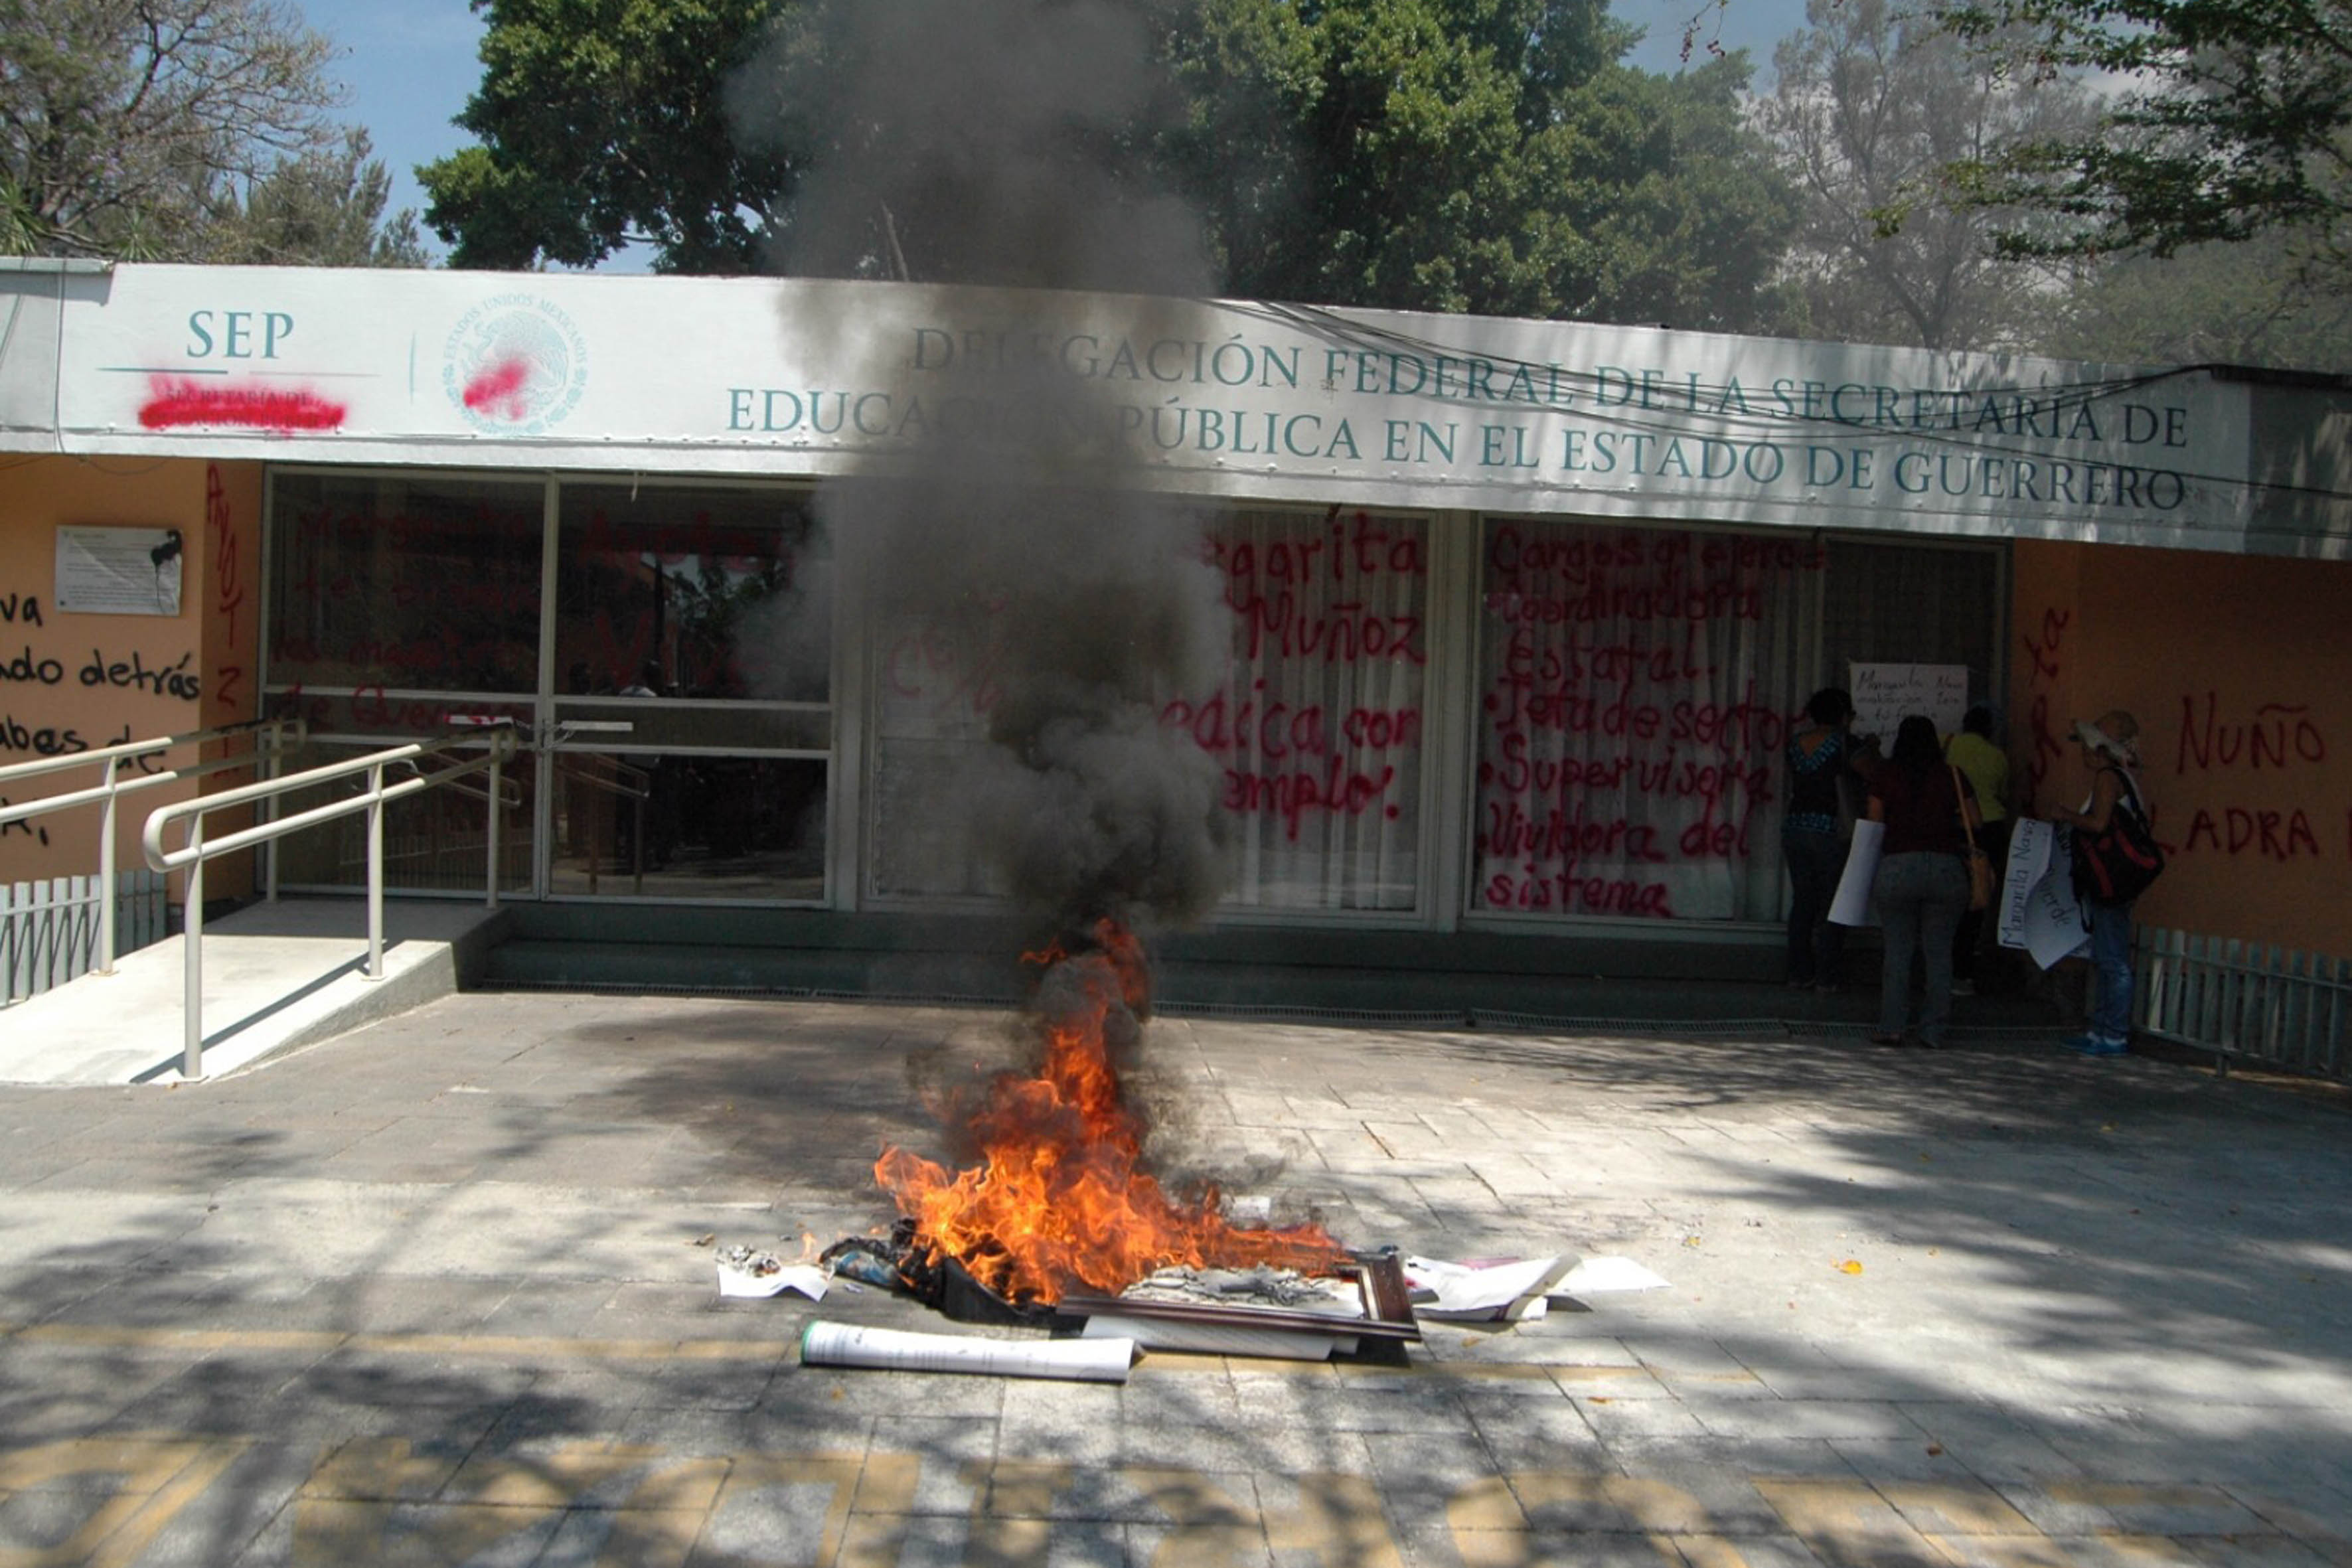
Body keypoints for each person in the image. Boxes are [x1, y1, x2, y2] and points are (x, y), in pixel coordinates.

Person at [1866, 714, 1979, 1049]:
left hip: (1898, 866)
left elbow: (1875, 822)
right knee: (1939, 953)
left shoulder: (1885, 775)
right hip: (1946, 868)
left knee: (1898, 951)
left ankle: (1892, 1027)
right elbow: (1976, 819)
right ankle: (1933, 1031)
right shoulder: (1953, 776)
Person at [2049, 710, 2146, 1057]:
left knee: (2112, 958)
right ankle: (2102, 1030)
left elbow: (2099, 823)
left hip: (2112, 879)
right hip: (2115, 878)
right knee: (2107, 955)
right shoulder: (2124, 777)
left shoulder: (2108, 778)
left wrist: (2068, 816)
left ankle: (2113, 1033)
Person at [1782, 688, 1874, 992]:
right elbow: (1874, 774)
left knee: (1803, 902)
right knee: (1833, 904)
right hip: (1831, 829)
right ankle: (1827, 975)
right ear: (1844, 715)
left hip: (1796, 826)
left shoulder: (1795, 744)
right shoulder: (1847, 744)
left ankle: (1798, 972)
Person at [1942, 705, 2012, 995]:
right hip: (1989, 830)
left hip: (1954, 825)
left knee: (1946, 898)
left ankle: (1940, 970)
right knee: (1977, 900)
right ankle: (1964, 972)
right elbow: (2002, 794)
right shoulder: (1998, 756)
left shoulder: (1947, 744)